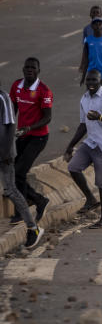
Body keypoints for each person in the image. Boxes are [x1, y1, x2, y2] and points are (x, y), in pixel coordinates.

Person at [64, 70, 102, 228]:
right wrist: (70, 145)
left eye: (93, 80)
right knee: (73, 167)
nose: (90, 83)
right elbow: (83, 125)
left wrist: (100, 117)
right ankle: (90, 199)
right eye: (88, 80)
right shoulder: (84, 98)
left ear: (100, 81)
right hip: (91, 143)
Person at [0, 82, 42, 247]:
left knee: (11, 190)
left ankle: (33, 228)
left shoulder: (3, 97)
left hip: (4, 154)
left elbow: (11, 126)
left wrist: (6, 153)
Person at [10, 58, 51, 225]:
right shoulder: (17, 86)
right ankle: (33, 203)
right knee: (13, 173)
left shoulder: (44, 91)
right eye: (26, 67)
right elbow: (13, 110)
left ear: (38, 71)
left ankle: (31, 204)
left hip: (38, 137)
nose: (29, 70)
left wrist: (29, 128)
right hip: (22, 136)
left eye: (32, 68)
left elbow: (48, 117)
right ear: (22, 69)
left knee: (19, 172)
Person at [79, 17, 102, 87]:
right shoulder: (87, 40)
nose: (98, 26)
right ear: (92, 26)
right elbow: (86, 59)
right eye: (95, 24)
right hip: (91, 75)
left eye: (100, 24)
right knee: (92, 96)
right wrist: (83, 77)